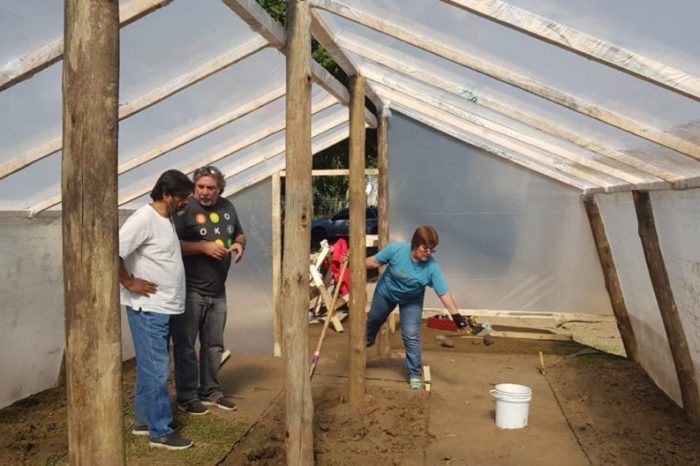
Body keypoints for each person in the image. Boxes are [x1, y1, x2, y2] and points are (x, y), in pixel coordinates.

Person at [118, 169, 195, 450]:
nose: (186, 202)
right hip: (148, 308)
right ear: (166, 195)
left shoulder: (167, 218)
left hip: (164, 307)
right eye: (183, 197)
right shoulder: (144, 218)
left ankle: (143, 422)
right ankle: (160, 432)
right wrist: (128, 281)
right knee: (157, 369)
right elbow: (113, 249)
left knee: (150, 367)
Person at [170, 165, 245, 414]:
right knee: (186, 346)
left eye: (210, 188)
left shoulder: (227, 207)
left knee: (214, 345)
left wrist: (237, 244)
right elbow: (172, 245)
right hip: (191, 290)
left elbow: (241, 234)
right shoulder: (184, 209)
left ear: (219, 189)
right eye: (200, 187)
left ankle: (211, 391)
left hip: (217, 291)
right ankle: (187, 396)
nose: (204, 192)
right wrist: (203, 248)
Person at [366, 225, 470, 390]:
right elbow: (372, 262)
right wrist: (353, 262)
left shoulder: (431, 268)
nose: (428, 252)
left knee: (411, 335)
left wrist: (456, 317)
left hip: (411, 301)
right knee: (373, 320)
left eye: (432, 249)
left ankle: (414, 374)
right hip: (386, 294)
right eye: (425, 248)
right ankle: (367, 340)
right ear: (415, 244)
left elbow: (443, 292)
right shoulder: (397, 250)